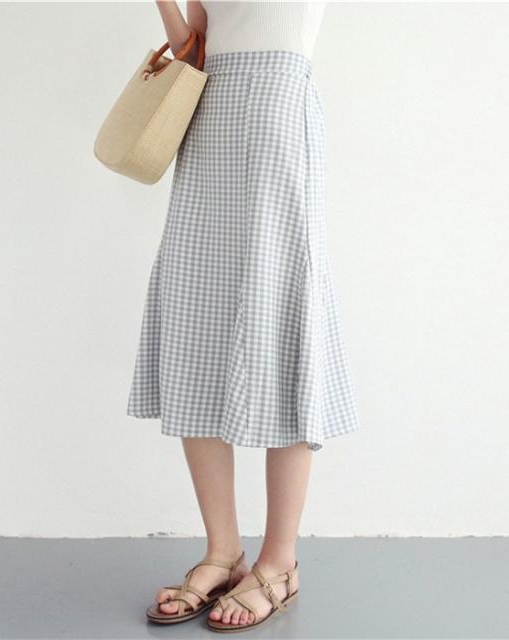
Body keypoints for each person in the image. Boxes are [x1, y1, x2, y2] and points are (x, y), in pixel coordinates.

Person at [129, 0, 360, 632]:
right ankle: (222, 551)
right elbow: (195, 44)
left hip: (280, 110)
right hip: (210, 115)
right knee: (194, 316)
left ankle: (279, 562)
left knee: (283, 317)